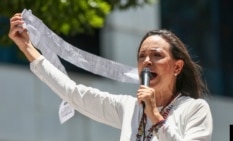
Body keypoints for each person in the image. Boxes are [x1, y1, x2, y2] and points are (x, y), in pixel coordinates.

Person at [9, 13, 213, 141]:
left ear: (177, 67)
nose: (147, 62)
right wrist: (27, 47)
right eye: (142, 56)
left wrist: (155, 116)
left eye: (157, 55)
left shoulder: (194, 109)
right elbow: (73, 93)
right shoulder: (130, 108)